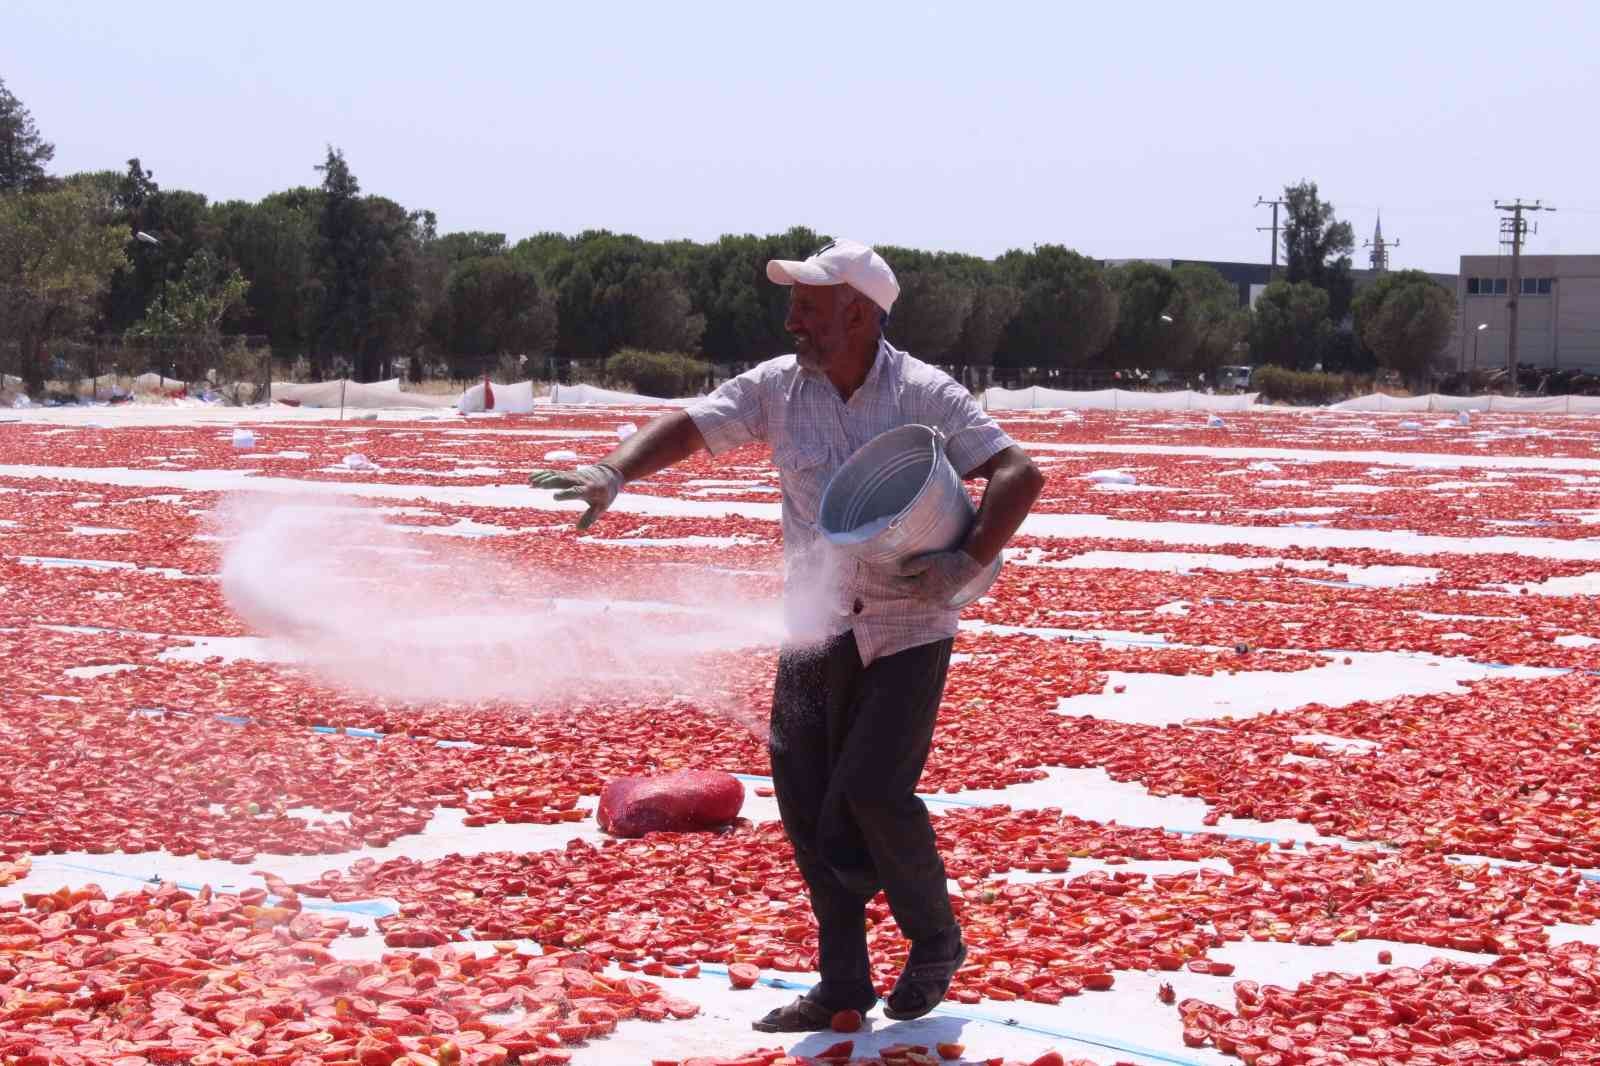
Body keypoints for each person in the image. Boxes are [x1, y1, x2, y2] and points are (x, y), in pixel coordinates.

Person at [530, 239, 1044, 1031]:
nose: (793, 316)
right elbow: (692, 425)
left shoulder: (924, 392)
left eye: (809, 302)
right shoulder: (779, 387)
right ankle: (842, 985)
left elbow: (1018, 473)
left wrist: (966, 560)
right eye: (795, 302)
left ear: (860, 312)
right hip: (815, 627)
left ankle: (936, 939)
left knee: (871, 790)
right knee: (807, 805)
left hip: (908, 624)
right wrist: (613, 472)